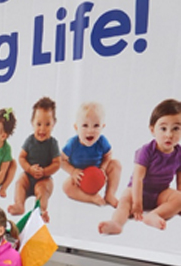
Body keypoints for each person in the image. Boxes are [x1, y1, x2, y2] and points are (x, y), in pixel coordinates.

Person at [99, 98, 181, 235]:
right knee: (125, 201)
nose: (169, 134)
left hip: (160, 194)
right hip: (136, 191)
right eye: (163, 128)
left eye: (176, 128)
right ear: (152, 130)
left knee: (179, 197)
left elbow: (180, 181)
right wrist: (137, 204)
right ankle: (116, 223)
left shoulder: (179, 153)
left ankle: (154, 215)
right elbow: (138, 178)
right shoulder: (146, 151)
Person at [8, 97, 61, 222]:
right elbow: (21, 157)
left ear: (54, 124)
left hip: (44, 178)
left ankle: (40, 211)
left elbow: (57, 163)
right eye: (39, 124)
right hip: (29, 175)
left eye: (47, 124)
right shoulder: (30, 140)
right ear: (32, 123)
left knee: (42, 190)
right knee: (20, 182)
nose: (42, 129)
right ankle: (19, 204)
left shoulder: (52, 143)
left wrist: (45, 171)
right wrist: (29, 169)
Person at [61, 102, 121, 206]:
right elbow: (61, 160)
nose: (90, 130)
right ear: (76, 127)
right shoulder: (72, 144)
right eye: (85, 125)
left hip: (98, 174)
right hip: (80, 178)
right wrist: (73, 171)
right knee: (66, 187)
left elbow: (108, 155)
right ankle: (91, 198)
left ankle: (110, 194)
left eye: (96, 126)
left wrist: (103, 168)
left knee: (116, 164)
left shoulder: (102, 141)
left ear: (102, 127)